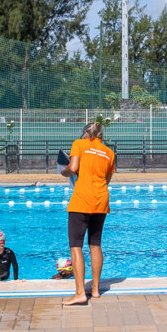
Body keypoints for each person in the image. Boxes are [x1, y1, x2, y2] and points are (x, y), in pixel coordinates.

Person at [60, 122, 116, 306]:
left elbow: (73, 168)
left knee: (76, 246)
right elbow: (106, 179)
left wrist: (64, 171)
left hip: (81, 201)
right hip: (101, 201)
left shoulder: (79, 144)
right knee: (95, 244)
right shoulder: (109, 152)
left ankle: (79, 293)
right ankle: (96, 290)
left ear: (86, 133)